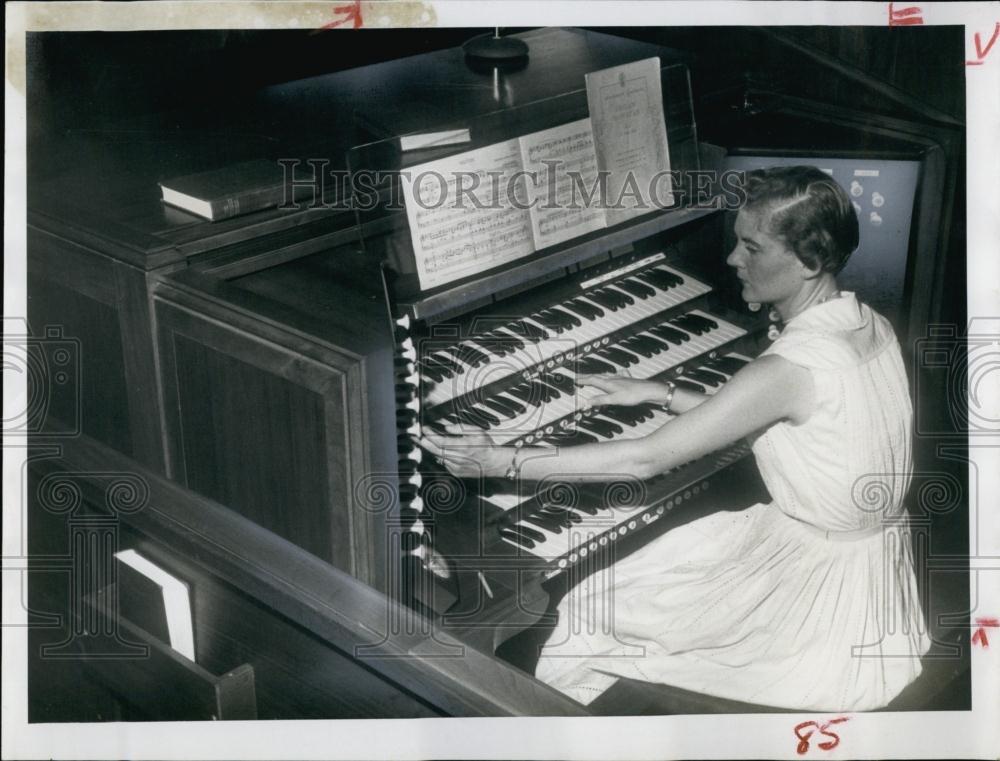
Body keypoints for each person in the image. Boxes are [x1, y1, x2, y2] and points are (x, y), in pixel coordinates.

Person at [421, 165, 930, 711]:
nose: (734, 259)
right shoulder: (865, 322)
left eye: (751, 247)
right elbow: (781, 413)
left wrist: (500, 461)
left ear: (807, 262)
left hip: (818, 593)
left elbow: (645, 458)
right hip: (870, 561)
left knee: (593, 608)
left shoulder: (789, 367)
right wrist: (656, 393)